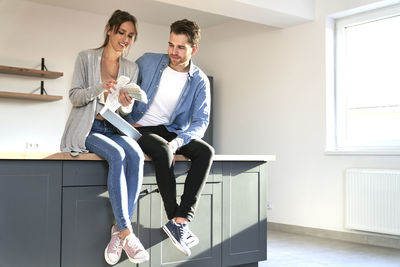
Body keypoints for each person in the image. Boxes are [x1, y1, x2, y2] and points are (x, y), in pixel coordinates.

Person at [60, 10, 149, 265]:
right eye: (122, 32)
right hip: (88, 129)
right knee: (118, 155)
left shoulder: (131, 68)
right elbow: (75, 96)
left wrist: (126, 102)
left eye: (131, 35)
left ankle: (118, 233)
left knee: (136, 154)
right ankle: (126, 231)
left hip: (114, 128)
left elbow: (125, 110)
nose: (125, 39)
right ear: (109, 29)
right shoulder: (86, 58)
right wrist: (101, 86)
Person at [128, 19, 214, 256]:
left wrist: (178, 141)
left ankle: (180, 221)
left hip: (171, 130)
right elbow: (126, 87)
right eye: (171, 45)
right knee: (163, 151)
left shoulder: (199, 81)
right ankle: (175, 217)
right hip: (140, 126)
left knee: (206, 151)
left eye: (180, 47)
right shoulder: (148, 61)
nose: (173, 52)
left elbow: (200, 122)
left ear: (193, 50)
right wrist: (125, 109)